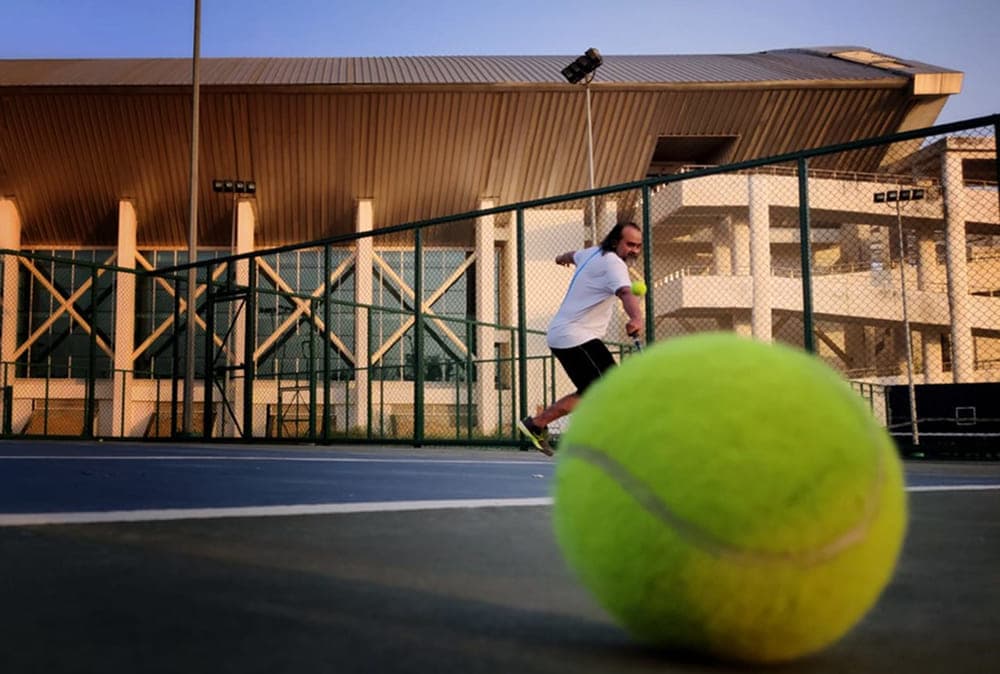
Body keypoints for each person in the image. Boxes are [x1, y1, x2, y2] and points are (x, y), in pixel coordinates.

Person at [517, 221, 643, 455]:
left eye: (638, 246)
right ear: (616, 241)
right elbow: (625, 292)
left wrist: (560, 258)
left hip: (568, 334)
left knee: (593, 389)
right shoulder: (615, 264)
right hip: (575, 335)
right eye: (630, 245)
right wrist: (637, 318)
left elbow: (572, 255)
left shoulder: (592, 252)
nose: (634, 250)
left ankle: (536, 424)